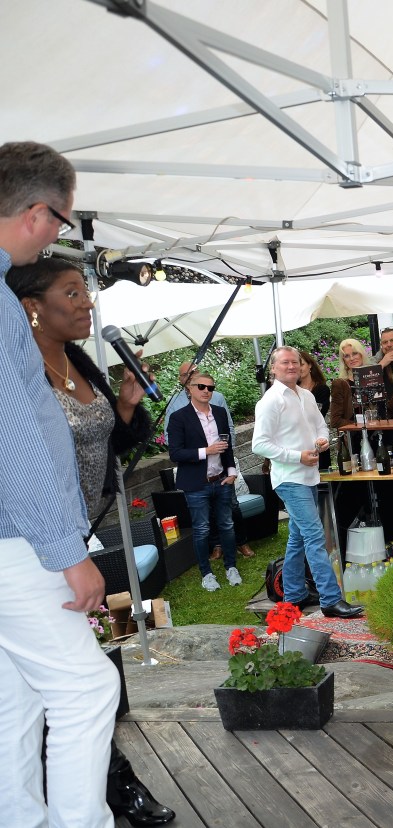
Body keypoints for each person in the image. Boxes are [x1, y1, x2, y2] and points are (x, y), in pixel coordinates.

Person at [6, 253, 174, 827]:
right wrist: (62, 547)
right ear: (31, 308)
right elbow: (21, 457)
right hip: (37, 538)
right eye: (73, 293)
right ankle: (112, 785)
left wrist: (126, 402)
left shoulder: (77, 361)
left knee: (34, 691)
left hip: (81, 527)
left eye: (87, 292)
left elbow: (112, 444)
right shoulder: (18, 368)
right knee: (84, 685)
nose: (88, 304)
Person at [0, 140, 123, 827]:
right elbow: (11, 436)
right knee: (85, 689)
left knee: (14, 702)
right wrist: (66, 550)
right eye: (62, 222)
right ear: (38, 213)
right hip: (15, 540)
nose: (55, 236)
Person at [252, 346, 363, 619]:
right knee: (314, 536)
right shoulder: (270, 401)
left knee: (299, 537)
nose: (292, 366)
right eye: (285, 363)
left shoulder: (306, 395)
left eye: (295, 362)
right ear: (273, 369)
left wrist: (321, 440)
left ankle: (293, 596)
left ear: (303, 366)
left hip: (309, 475)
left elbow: (320, 426)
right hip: (289, 478)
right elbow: (259, 444)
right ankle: (330, 599)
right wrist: (297, 456)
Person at [167, 372, 241, 593]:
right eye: (201, 386)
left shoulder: (219, 412)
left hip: (221, 479)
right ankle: (206, 574)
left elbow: (227, 445)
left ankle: (231, 567)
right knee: (201, 529)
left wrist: (231, 471)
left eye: (210, 387)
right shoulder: (179, 417)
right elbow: (175, 453)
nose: (206, 391)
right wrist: (205, 451)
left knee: (227, 525)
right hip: (196, 483)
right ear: (189, 388)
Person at [163, 360, 230, 441]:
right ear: (180, 379)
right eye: (185, 375)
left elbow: (229, 428)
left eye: (193, 373)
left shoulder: (217, 397)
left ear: (199, 373)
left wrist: (229, 447)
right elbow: (169, 435)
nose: (190, 377)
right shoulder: (173, 402)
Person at [329, 337, 370, 439]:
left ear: (361, 354)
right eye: (347, 356)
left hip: (378, 434)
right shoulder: (340, 384)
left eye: (355, 353)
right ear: (343, 360)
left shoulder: (373, 378)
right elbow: (335, 421)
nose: (351, 358)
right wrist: (360, 425)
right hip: (355, 438)